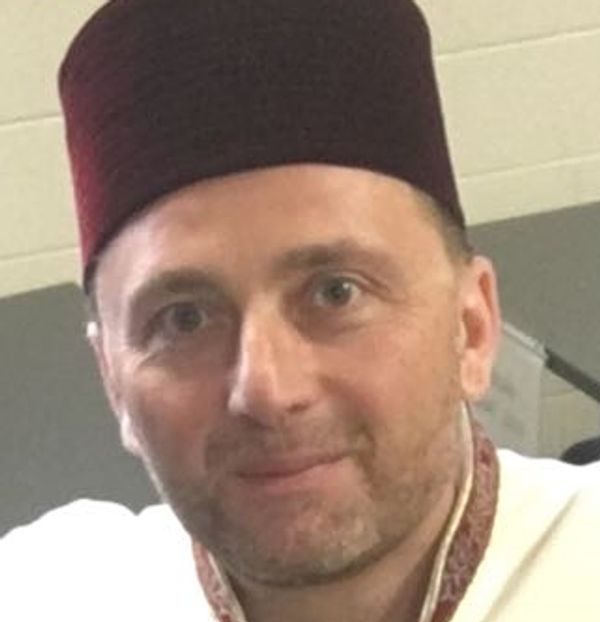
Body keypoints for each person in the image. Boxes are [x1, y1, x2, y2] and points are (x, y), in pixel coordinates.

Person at [2, 1, 599, 620]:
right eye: (184, 319)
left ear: (471, 328)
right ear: (113, 383)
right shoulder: (49, 595)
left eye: (336, 292)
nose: (266, 390)